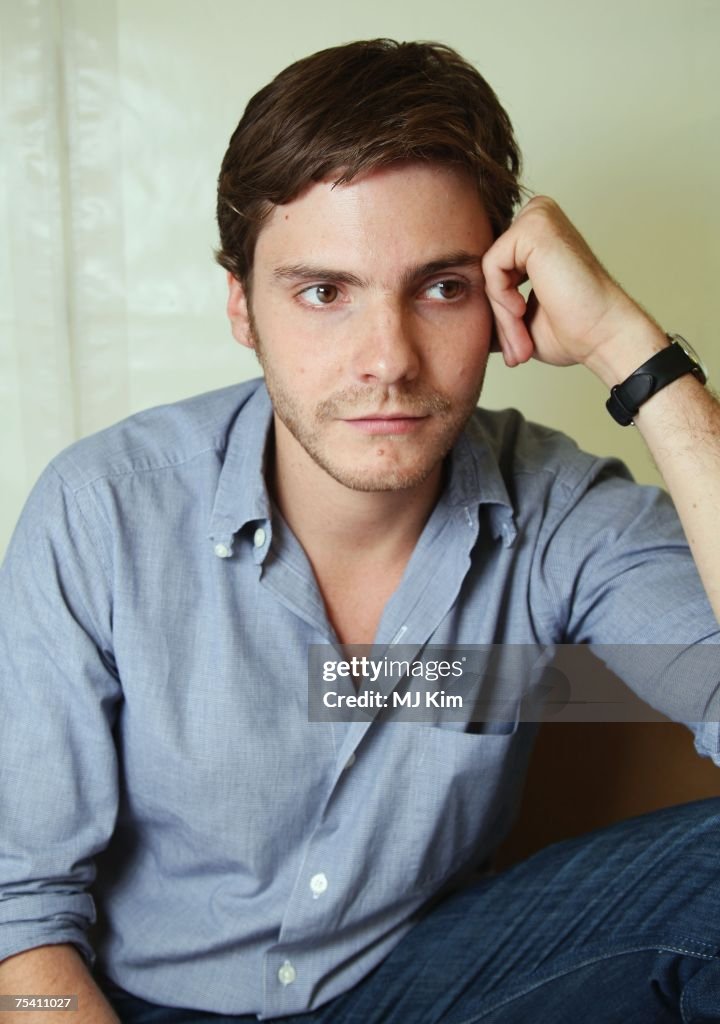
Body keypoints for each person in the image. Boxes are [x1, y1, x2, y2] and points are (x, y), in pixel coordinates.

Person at [0, 37, 719, 1024]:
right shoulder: (101, 510)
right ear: (242, 307)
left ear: (505, 298)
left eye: (441, 287)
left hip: (426, 985)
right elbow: (21, 929)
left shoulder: (556, 508)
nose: (388, 359)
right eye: (324, 292)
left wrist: (631, 352)